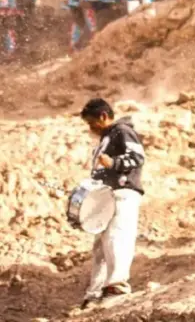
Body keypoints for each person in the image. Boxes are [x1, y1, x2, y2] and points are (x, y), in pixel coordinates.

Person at [80, 98, 144, 307]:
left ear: (103, 116)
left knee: (118, 238)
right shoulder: (108, 137)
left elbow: (137, 157)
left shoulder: (122, 131)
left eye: (92, 123)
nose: (91, 129)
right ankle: (95, 292)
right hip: (108, 195)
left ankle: (116, 287)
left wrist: (114, 163)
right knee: (101, 245)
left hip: (123, 193)